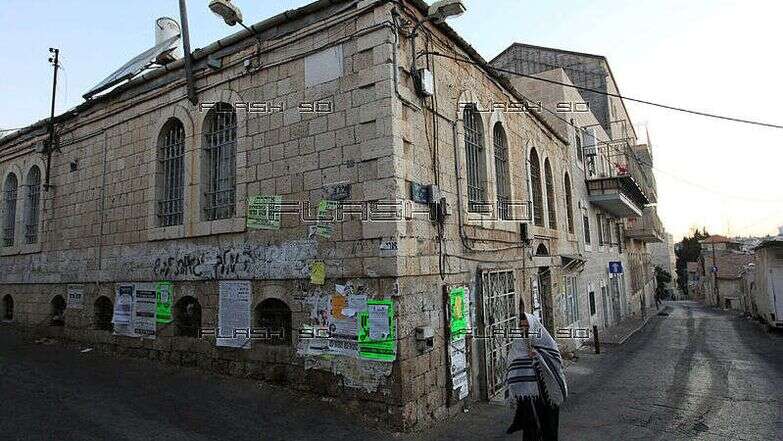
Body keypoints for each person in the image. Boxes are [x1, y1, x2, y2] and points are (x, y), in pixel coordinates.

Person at [505, 312, 568, 441]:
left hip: (547, 393)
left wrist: (538, 355)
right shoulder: (519, 342)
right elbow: (512, 363)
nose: (524, 329)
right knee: (530, 427)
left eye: (527, 326)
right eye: (521, 326)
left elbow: (556, 360)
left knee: (549, 426)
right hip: (528, 395)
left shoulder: (545, 340)